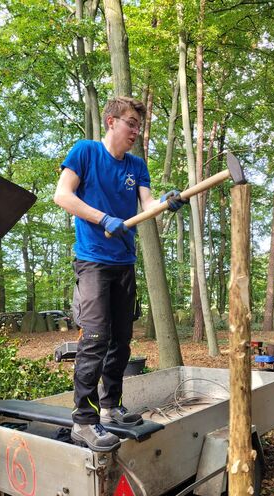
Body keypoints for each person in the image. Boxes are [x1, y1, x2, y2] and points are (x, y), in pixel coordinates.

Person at [54, 96, 186, 452]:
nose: (136, 131)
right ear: (111, 121)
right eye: (131, 123)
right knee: (95, 338)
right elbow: (62, 195)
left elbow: (148, 204)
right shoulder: (86, 152)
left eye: (139, 126)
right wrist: (102, 218)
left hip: (124, 262)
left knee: (122, 340)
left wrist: (168, 201)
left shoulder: (136, 165)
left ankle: (110, 406)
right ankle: (84, 420)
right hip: (93, 261)